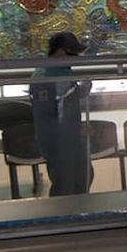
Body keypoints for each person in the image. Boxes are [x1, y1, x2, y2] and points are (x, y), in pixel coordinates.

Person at [29, 31, 93, 196]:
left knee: (84, 175)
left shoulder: (62, 72)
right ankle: (63, 212)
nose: (75, 57)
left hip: (71, 138)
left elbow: (67, 98)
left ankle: (80, 210)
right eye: (73, 53)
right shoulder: (44, 77)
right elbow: (47, 116)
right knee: (65, 184)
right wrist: (76, 129)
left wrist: (83, 89)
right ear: (60, 51)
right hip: (57, 142)